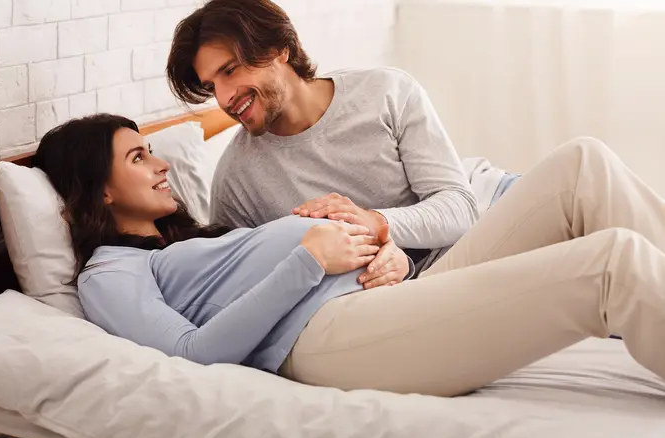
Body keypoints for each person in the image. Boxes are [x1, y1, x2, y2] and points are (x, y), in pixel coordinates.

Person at [34, 112, 665, 398]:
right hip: (325, 344)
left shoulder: (193, 238)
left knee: (584, 164)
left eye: (152, 149)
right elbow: (191, 354)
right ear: (100, 189)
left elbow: (301, 264)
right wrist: (309, 260)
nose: (162, 162)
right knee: (612, 263)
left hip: (381, 304)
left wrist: (380, 252)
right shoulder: (110, 273)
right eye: (138, 157)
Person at [165, 0, 518, 289]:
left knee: (573, 175)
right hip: (415, 286)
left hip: (490, 205)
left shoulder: (386, 92)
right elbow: (244, 281)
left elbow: (460, 208)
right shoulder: (236, 181)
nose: (225, 98)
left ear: (278, 49)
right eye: (212, 86)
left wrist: (375, 223)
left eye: (230, 70)